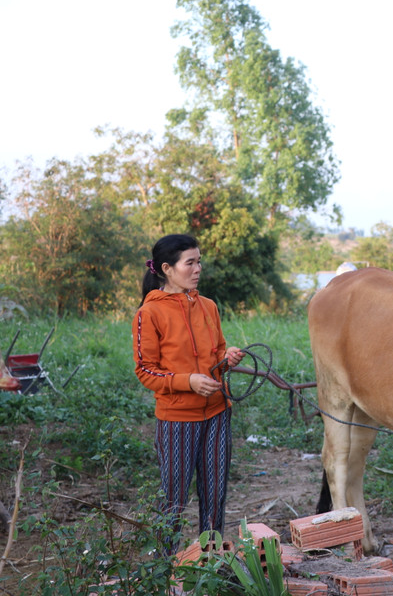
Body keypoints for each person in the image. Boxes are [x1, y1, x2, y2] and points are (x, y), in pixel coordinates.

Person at [132, 234, 244, 553]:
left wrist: (227, 358)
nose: (198, 269)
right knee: (175, 498)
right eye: (190, 263)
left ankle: (210, 564)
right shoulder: (149, 314)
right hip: (177, 420)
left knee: (214, 496)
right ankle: (167, 567)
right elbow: (145, 370)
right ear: (167, 269)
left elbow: (217, 352)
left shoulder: (208, 306)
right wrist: (188, 381)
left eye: (199, 261)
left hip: (217, 414)